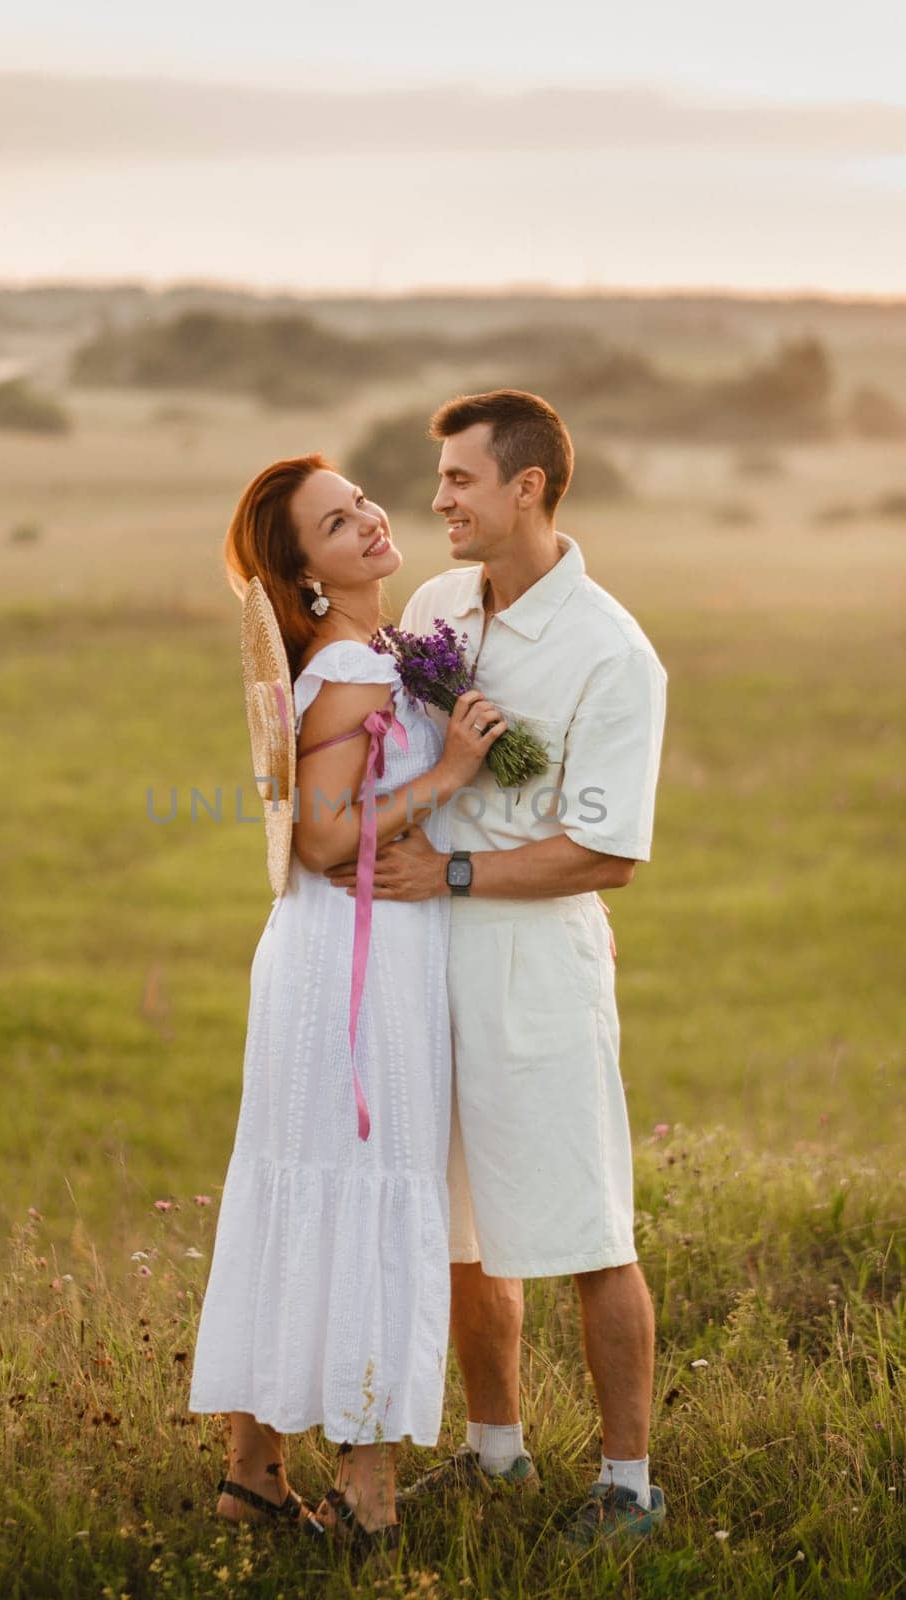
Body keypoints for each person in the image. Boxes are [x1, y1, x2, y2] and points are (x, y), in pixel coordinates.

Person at [326, 391, 669, 1546]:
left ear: (526, 486)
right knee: (465, 1232)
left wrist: (456, 878)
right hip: (424, 972)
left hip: (536, 975)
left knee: (583, 1229)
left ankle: (628, 1486)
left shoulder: (612, 652)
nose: (436, 503)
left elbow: (607, 853)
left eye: (459, 481)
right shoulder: (434, 606)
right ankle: (495, 1456)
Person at [188, 453, 506, 1549]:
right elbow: (326, 840)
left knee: (306, 1191)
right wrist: (451, 772)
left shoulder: (365, 652)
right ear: (308, 572)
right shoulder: (349, 667)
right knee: (360, 1188)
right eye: (336, 524)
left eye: (360, 499)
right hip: (356, 970)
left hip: (336, 961)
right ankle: (365, 1500)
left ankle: (251, 1477)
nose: (369, 520)